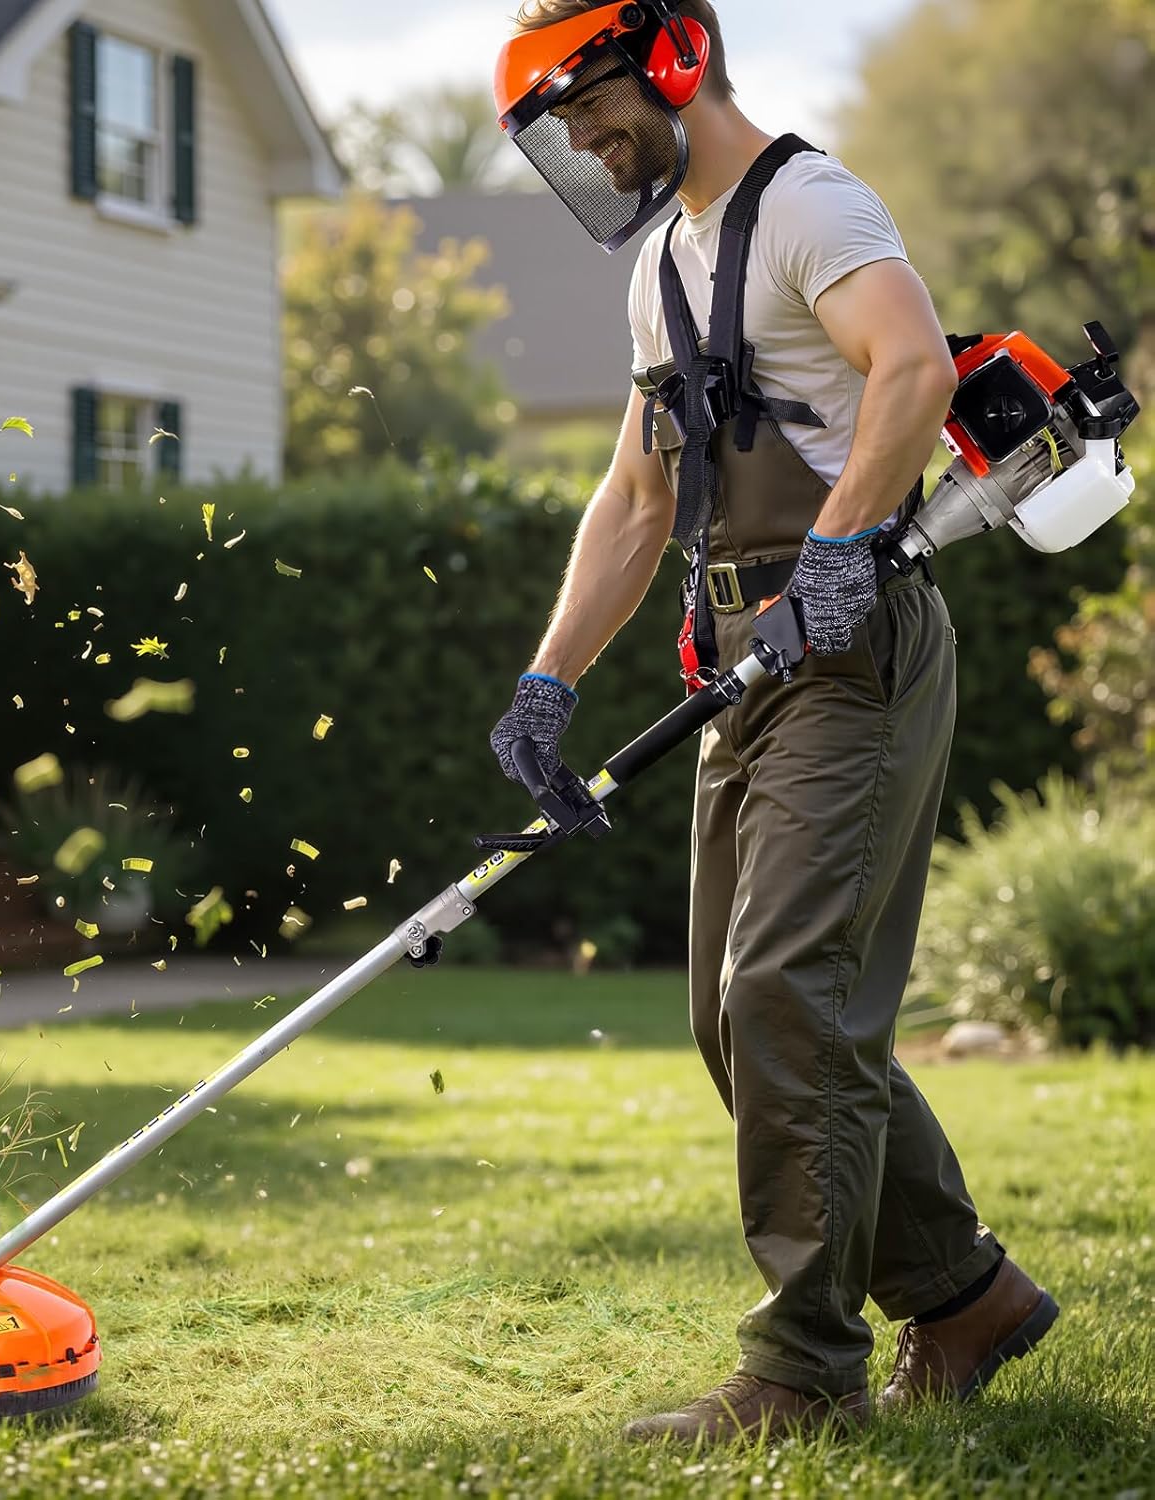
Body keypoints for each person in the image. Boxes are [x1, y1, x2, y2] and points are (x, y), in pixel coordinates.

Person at [488, 0, 1058, 1444]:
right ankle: (966, 1293)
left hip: (852, 641)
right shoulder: (664, 266)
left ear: (674, 57)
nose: (585, 140)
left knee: (787, 999)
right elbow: (634, 497)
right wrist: (548, 681)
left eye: (593, 102)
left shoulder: (809, 201)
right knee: (736, 1023)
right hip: (742, 655)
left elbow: (913, 367)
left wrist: (836, 552)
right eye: (562, 125)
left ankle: (800, 1373)